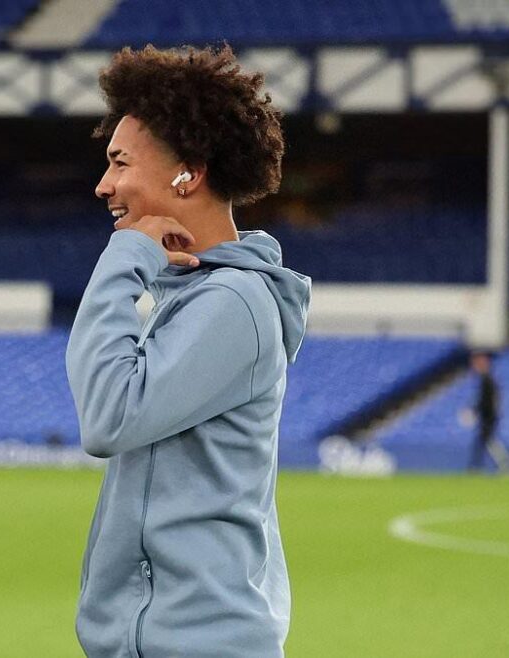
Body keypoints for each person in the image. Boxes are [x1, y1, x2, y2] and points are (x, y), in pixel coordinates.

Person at [66, 45, 311, 657]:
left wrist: (123, 259)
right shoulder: (188, 291)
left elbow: (108, 415)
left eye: (119, 162)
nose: (104, 185)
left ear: (188, 173)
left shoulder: (236, 303)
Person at [468, 352, 509, 475]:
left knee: (488, 441)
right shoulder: (487, 380)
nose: (475, 367)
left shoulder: (487, 381)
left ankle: (504, 464)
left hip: (489, 416)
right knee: (486, 441)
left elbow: (486, 401)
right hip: (488, 416)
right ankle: (477, 467)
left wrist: (476, 410)